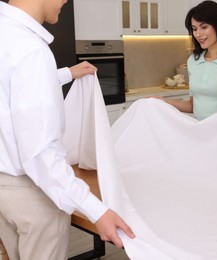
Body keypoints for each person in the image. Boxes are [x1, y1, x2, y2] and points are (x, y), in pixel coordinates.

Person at [0, 1, 135, 259]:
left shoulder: (5, 33)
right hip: (33, 193)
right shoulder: (31, 50)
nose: (65, 1)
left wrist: (66, 74)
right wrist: (97, 211)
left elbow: (11, 90)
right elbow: (40, 154)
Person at [159, 0, 217, 120]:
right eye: (194, 28)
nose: (197, 34)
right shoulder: (193, 61)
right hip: (199, 132)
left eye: (204, 27)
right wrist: (162, 101)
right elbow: (192, 106)